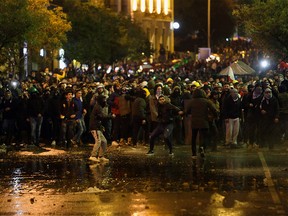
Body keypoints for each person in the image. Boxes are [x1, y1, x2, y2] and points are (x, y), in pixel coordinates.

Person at [185, 88, 218, 159]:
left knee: (194, 138)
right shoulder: (207, 101)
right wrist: (215, 116)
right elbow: (214, 110)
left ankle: (194, 154)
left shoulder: (192, 102)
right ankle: (202, 147)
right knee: (204, 137)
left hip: (194, 121)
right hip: (204, 121)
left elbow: (187, 111)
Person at [89, 95, 113, 163]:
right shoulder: (98, 107)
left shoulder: (99, 106)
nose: (105, 101)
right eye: (104, 99)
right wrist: (110, 116)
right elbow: (102, 116)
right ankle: (93, 156)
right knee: (98, 140)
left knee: (104, 141)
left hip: (97, 126)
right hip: (94, 127)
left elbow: (99, 118)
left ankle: (101, 156)